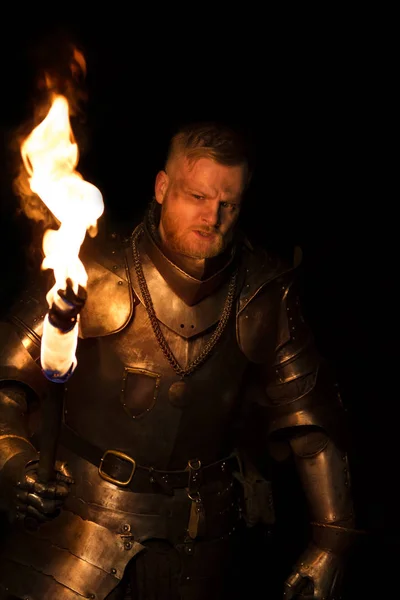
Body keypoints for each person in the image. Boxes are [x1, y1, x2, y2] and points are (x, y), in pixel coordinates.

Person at [0, 121, 357, 600]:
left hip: (203, 543)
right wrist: (16, 466)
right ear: (163, 188)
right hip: (78, 526)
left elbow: (310, 425)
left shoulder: (264, 291)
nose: (213, 216)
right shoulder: (89, 268)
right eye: (197, 196)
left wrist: (331, 541)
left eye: (228, 203)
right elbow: (6, 383)